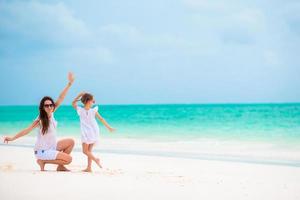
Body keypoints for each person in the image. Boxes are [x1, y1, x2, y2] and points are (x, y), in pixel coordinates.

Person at [4, 72, 75, 171]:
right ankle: (43, 161)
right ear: (42, 107)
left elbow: (61, 97)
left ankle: (60, 166)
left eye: (51, 105)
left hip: (52, 147)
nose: (49, 107)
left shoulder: (52, 112)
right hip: (42, 151)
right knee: (69, 159)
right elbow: (26, 130)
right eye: (46, 105)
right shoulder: (40, 120)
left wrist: (69, 84)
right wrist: (12, 138)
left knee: (71, 142)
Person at [72, 92, 115, 172]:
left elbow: (101, 119)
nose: (94, 102)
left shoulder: (89, 110)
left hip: (89, 132)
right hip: (91, 132)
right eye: (93, 101)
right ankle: (89, 168)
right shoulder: (83, 110)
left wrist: (109, 127)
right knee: (88, 151)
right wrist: (80, 95)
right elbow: (73, 103)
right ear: (88, 101)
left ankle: (95, 160)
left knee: (85, 151)